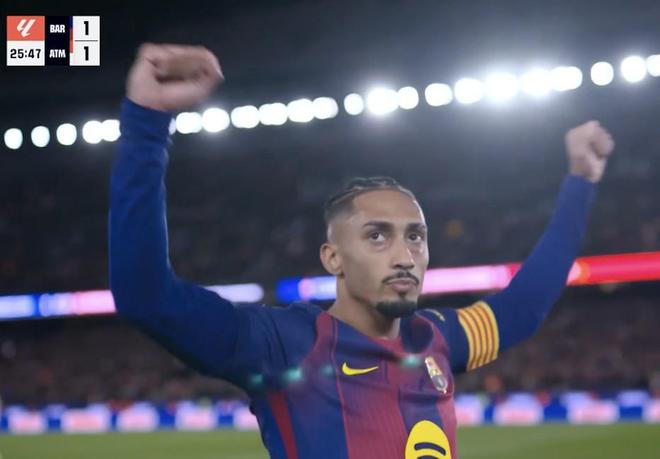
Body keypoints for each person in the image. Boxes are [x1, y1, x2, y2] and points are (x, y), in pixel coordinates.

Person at [109, 43, 615, 459]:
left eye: (415, 236)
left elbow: (524, 306)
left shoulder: (437, 338)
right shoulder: (283, 345)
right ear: (332, 258)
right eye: (377, 235)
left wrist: (581, 180)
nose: (404, 255)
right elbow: (145, 297)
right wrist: (147, 125)